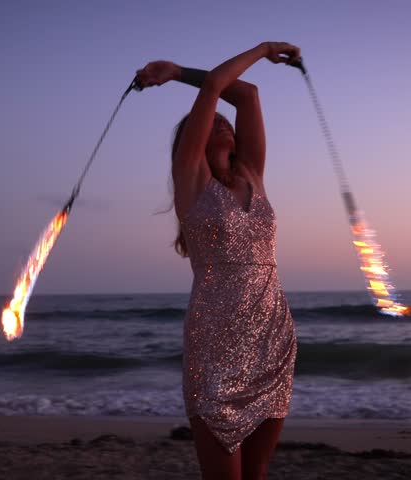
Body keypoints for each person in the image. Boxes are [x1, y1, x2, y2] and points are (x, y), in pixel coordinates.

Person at [136, 42, 300, 480]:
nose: (223, 121)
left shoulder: (252, 176)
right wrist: (264, 48)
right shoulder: (191, 179)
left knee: (257, 472)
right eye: (213, 121)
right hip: (216, 342)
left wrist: (177, 70)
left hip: (272, 333)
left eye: (225, 121)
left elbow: (246, 94)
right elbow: (215, 87)